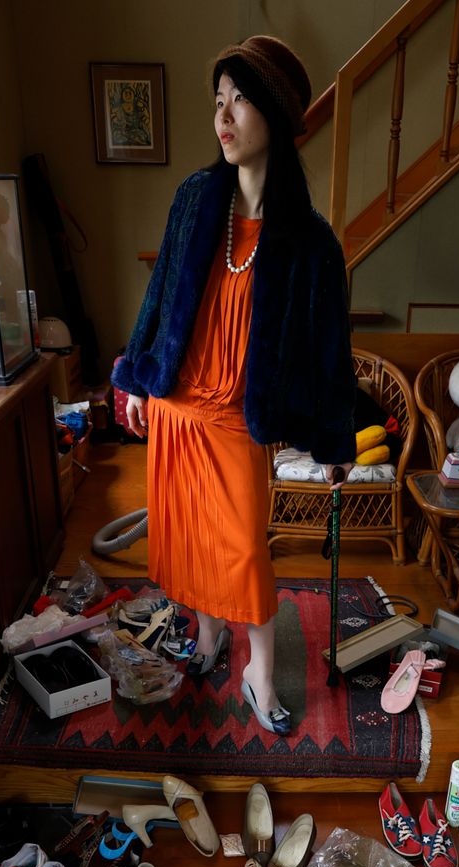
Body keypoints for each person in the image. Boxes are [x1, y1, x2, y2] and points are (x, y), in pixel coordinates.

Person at [112, 36, 357, 736]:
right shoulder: (195, 200)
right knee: (191, 541)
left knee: (245, 551)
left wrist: (334, 439)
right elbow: (161, 296)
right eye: (218, 100)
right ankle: (210, 634)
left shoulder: (310, 240)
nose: (223, 116)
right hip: (175, 408)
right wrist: (137, 379)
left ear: (274, 113)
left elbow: (328, 349)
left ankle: (259, 671)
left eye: (240, 99)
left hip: (233, 420)